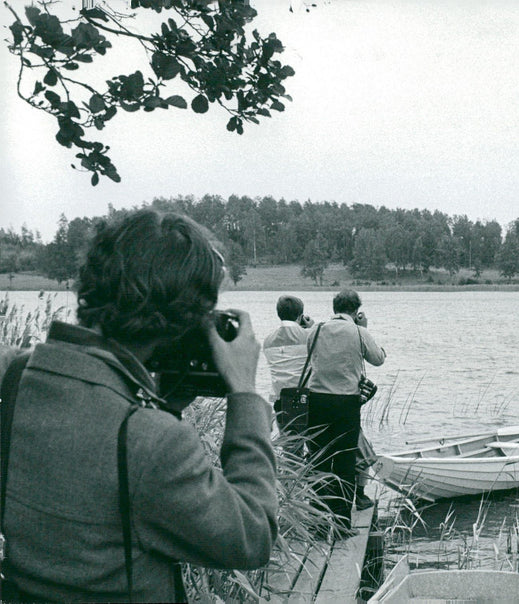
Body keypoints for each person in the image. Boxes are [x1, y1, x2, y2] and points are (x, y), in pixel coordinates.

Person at [0, 210, 279, 602]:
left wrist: (158, 400)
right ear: (182, 320)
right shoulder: (153, 440)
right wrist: (245, 397)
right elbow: (252, 537)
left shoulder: (16, 378)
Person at [306, 289, 385, 535]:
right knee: (344, 462)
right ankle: (341, 525)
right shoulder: (359, 332)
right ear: (356, 310)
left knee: (318, 460)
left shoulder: (316, 330)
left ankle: (318, 524)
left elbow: (310, 358)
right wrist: (365, 327)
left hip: (316, 401)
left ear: (334, 308)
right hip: (345, 403)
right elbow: (378, 359)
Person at [262, 294, 314, 436]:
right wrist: (311, 328)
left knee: (290, 451)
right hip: (306, 398)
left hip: (282, 401)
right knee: (314, 450)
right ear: (300, 315)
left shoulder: (268, 341)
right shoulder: (309, 336)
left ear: (279, 314)